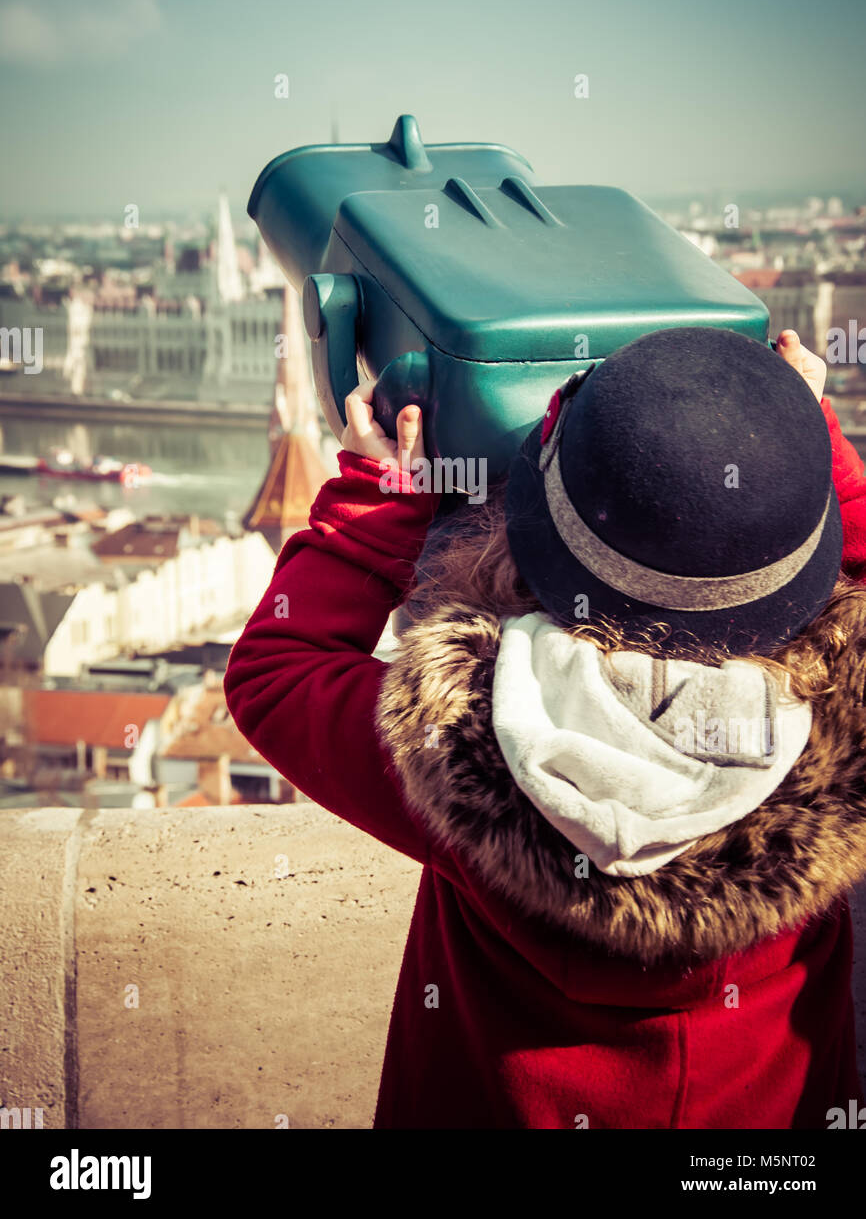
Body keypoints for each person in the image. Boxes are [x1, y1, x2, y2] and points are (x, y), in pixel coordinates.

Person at [223, 325, 866, 1129]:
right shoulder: (843, 742)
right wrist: (789, 443)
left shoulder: (466, 741)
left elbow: (277, 668)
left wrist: (381, 493)